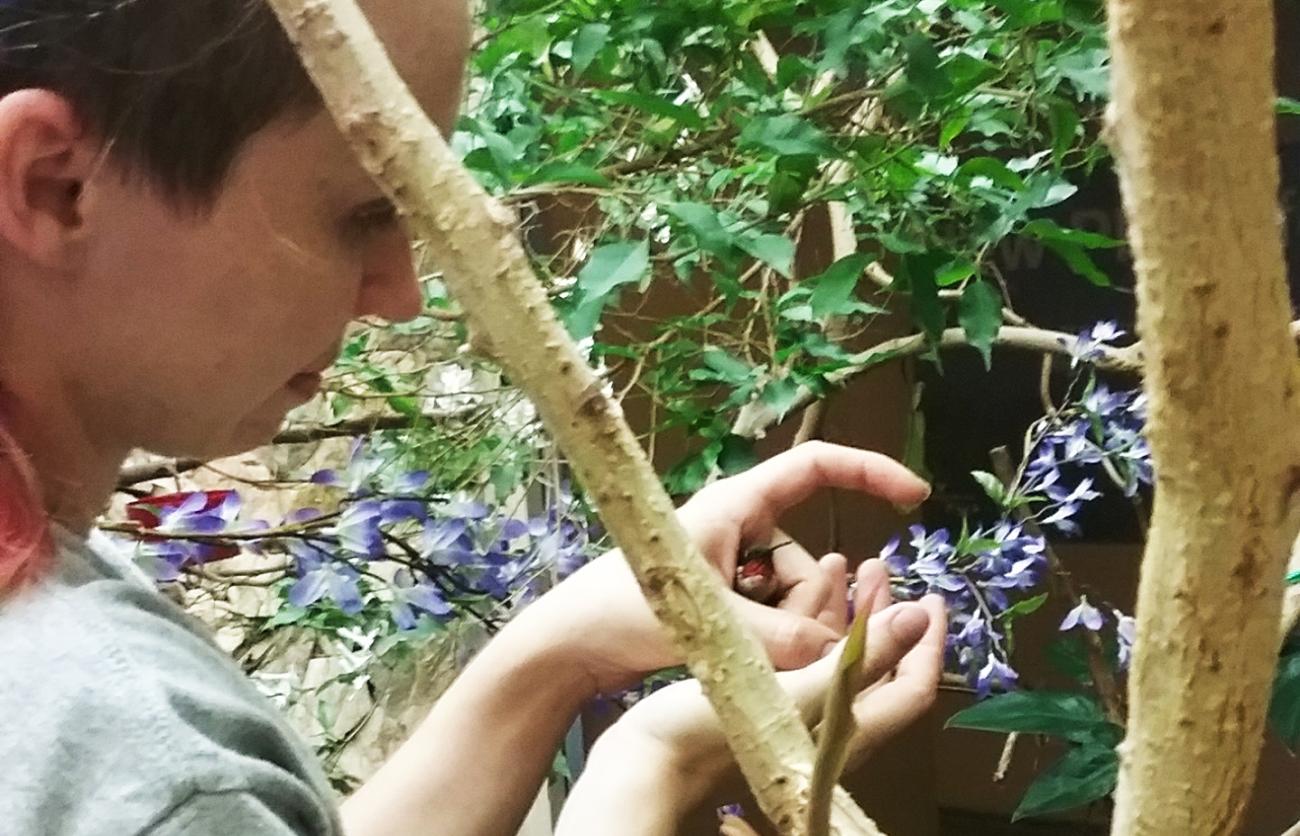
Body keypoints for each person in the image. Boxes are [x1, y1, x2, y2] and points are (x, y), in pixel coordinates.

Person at [0, 1, 946, 833]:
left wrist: (555, 659)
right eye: (366, 212)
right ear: (55, 186)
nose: (400, 293)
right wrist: (648, 780)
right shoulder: (129, 748)